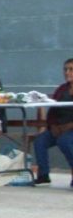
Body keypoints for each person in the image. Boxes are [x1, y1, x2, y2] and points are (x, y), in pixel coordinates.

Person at [33, 58, 73, 187]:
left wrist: (68, 126)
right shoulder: (61, 89)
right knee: (40, 140)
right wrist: (53, 126)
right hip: (58, 128)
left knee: (64, 141)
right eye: (65, 69)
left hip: (70, 129)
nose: (67, 72)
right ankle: (43, 176)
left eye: (71, 69)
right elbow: (53, 110)